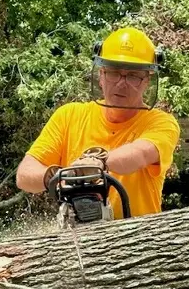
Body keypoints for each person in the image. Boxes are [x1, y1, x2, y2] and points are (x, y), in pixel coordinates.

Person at [16, 27, 180, 219]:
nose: (121, 82)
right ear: (101, 75)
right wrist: (59, 177)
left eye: (133, 76)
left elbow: (140, 153)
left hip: (139, 240)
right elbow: (24, 175)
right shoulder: (69, 116)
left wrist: (97, 162)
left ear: (146, 80)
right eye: (113, 72)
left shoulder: (161, 123)